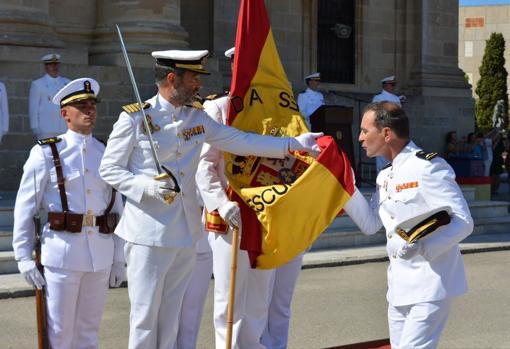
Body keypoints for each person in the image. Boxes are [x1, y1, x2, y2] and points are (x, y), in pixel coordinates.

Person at [98, 49, 322, 349]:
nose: (198, 85)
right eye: (193, 78)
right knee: (144, 317)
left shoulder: (197, 118)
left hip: (185, 232)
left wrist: (292, 144)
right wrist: (145, 187)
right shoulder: (136, 118)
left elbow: (240, 140)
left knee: (171, 316)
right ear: (171, 78)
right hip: (147, 233)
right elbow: (109, 169)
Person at [12, 77, 126, 349]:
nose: (89, 111)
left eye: (92, 105)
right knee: (60, 332)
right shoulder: (46, 153)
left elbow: (117, 208)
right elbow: (25, 208)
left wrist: (119, 257)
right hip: (62, 254)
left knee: (89, 331)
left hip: (99, 254)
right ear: (65, 114)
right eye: (81, 106)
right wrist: (23, 256)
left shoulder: (106, 152)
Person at [355, 101, 473, 348]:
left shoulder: (427, 167)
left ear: (386, 133)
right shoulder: (384, 175)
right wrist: (343, 189)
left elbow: (463, 221)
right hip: (398, 288)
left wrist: (424, 247)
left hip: (430, 283)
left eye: (365, 131)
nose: (360, 138)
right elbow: (371, 224)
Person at [196, 46, 275, 349]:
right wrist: (220, 202)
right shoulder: (219, 109)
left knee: (259, 295)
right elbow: (204, 166)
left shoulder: (272, 111)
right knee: (229, 297)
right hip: (230, 215)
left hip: (265, 212)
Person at [29, 53, 71, 139]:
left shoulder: (67, 83)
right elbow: (33, 107)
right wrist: (35, 127)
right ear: (46, 67)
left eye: (56, 64)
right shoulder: (38, 84)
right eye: (51, 65)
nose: (54, 67)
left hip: (64, 127)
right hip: (46, 128)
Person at [372, 76, 405, 172]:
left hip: (394, 129)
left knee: (394, 156)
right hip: (382, 128)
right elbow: (375, 113)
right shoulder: (378, 98)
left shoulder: (396, 98)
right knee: (381, 158)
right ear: (385, 85)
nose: (393, 87)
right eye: (391, 84)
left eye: (394, 85)